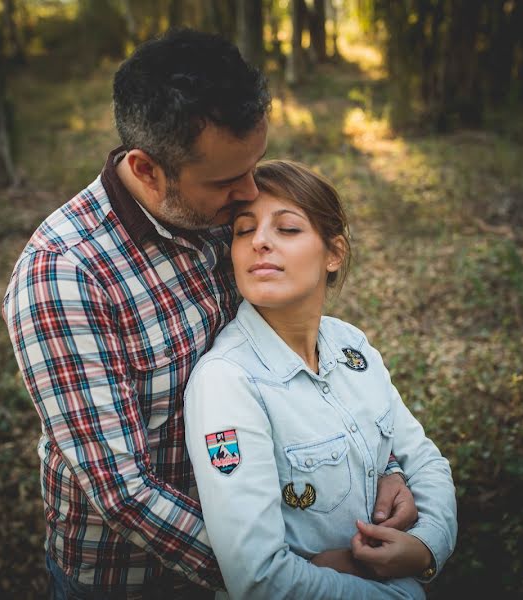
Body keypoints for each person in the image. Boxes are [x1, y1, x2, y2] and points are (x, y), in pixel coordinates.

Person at [2, 29, 417, 599]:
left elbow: (303, 356)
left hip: (273, 531)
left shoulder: (231, 215)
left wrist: (382, 465)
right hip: (141, 577)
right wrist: (278, 571)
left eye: (255, 166)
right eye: (227, 180)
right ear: (147, 170)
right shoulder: (65, 277)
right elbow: (123, 489)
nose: (250, 193)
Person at [183, 160, 457, 599]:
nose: (260, 242)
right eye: (243, 231)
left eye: (287, 229)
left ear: (334, 254)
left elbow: (424, 461)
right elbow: (259, 578)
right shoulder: (228, 382)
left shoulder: (353, 347)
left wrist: (426, 548)